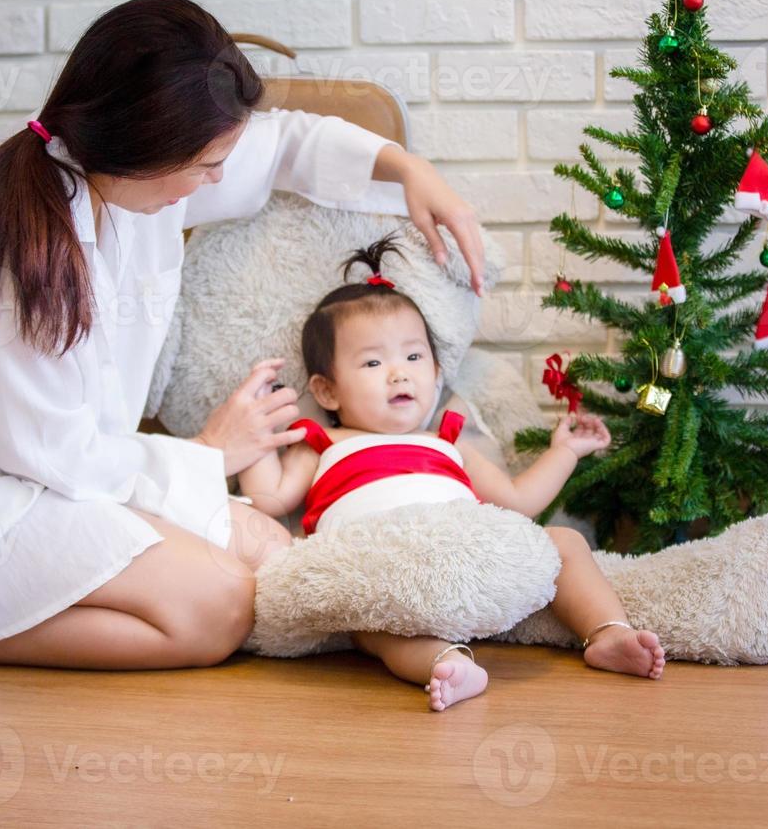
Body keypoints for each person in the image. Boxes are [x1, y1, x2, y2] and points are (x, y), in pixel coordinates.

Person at [0, 0, 487, 668]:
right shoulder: (22, 250)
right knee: (216, 605)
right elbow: (56, 455)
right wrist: (207, 457)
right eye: (205, 167)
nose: (216, 182)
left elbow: (283, 148)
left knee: (247, 558)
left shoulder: (118, 170)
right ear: (147, 148)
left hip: (20, 465)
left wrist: (408, 169)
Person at [236, 235, 665, 711]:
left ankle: (607, 632)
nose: (399, 374)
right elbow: (270, 500)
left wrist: (564, 451)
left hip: (464, 552)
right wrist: (257, 433)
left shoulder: (447, 440)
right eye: (374, 362)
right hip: (385, 572)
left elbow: (518, 502)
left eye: (414, 357)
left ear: (437, 372)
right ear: (327, 390)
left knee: (563, 543)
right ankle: (446, 661)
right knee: (372, 630)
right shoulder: (324, 443)